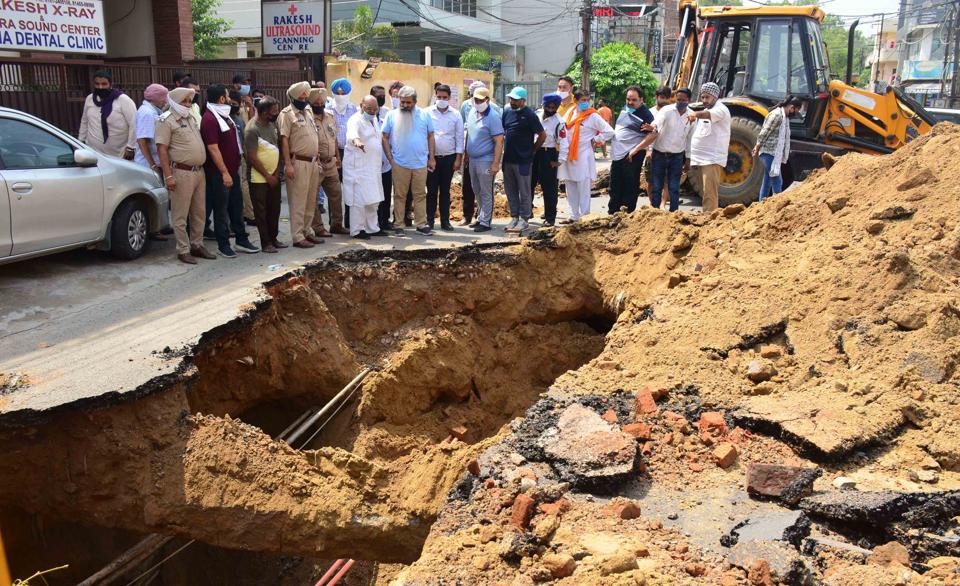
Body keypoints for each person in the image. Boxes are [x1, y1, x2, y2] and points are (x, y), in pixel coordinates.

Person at [156, 87, 214, 264]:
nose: (188, 104)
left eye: (190, 101)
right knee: (180, 214)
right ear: (174, 102)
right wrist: (168, 176)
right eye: (184, 101)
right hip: (181, 172)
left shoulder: (189, 118)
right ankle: (183, 249)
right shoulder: (166, 120)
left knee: (199, 212)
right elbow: (162, 150)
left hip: (198, 172)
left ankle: (197, 244)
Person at [201, 84, 259, 258]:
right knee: (221, 209)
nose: (229, 99)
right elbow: (213, 148)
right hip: (220, 173)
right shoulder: (210, 119)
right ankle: (223, 244)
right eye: (226, 96)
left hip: (233, 169)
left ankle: (241, 239)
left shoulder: (224, 116)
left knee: (236, 206)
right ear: (221, 99)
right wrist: (224, 172)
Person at [382, 86, 436, 236]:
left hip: (420, 163)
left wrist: (431, 158)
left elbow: (431, 136)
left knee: (420, 195)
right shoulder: (391, 115)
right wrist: (390, 158)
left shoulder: (424, 115)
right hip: (399, 163)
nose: (405, 105)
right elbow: (384, 137)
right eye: (402, 102)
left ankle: (421, 224)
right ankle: (398, 224)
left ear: (415, 101)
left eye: (408, 102)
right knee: (400, 195)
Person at [630, 88, 694, 212]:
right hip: (659, 154)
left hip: (677, 156)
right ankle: (655, 213)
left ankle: (674, 214)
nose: (680, 102)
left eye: (683, 100)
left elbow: (690, 139)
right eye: (678, 99)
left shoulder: (691, 116)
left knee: (674, 187)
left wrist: (688, 159)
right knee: (657, 186)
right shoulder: (667, 110)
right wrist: (652, 127)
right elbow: (657, 122)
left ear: (689, 100)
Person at [558, 90, 614, 223]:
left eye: (587, 100)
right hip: (569, 155)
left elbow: (610, 131)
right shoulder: (570, 112)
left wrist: (596, 139)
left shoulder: (592, 116)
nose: (586, 103)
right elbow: (563, 127)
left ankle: (584, 217)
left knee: (583, 186)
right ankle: (573, 215)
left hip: (583, 154)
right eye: (583, 100)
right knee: (570, 185)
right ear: (575, 101)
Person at [279, 81, 323, 249]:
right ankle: (297, 236)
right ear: (293, 97)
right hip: (298, 162)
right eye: (301, 96)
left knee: (311, 199)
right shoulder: (287, 114)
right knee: (298, 200)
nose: (304, 98)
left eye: (306, 95)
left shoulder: (308, 112)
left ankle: (307, 230)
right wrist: (288, 164)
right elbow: (284, 140)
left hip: (312, 162)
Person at [501, 87, 545, 233]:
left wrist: (532, 150)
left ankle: (525, 219)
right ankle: (514, 216)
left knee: (524, 190)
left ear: (523, 100)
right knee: (510, 190)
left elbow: (542, 135)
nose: (512, 101)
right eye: (511, 99)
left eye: (515, 99)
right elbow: (504, 131)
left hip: (523, 161)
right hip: (508, 159)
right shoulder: (507, 112)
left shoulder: (530, 115)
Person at [343, 96, 388, 239]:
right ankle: (357, 230)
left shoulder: (374, 120)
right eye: (369, 109)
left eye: (375, 109)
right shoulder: (355, 119)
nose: (372, 111)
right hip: (358, 167)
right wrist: (356, 141)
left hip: (372, 167)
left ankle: (372, 228)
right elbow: (352, 133)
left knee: (373, 198)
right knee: (359, 200)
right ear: (361, 105)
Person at [459, 80, 502, 226]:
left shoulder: (493, 117)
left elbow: (499, 141)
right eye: (475, 100)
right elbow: (469, 135)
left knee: (486, 191)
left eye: (480, 100)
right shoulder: (471, 112)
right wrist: (466, 154)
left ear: (487, 100)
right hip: (472, 159)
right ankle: (480, 217)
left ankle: (485, 222)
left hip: (486, 159)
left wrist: (496, 163)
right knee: (476, 189)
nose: (477, 102)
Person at [244, 96, 284, 253]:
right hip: (259, 177)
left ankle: (274, 238)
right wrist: (267, 176)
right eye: (274, 111)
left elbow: (276, 148)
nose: (276, 113)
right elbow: (252, 157)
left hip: (273, 176)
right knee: (262, 211)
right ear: (264, 112)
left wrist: (275, 173)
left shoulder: (272, 125)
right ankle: (266, 242)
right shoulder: (252, 129)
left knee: (274, 209)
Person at [607, 86, 654, 214]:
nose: (630, 102)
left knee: (629, 185)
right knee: (615, 184)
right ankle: (613, 212)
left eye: (634, 100)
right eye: (628, 99)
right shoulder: (626, 109)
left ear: (641, 100)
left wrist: (636, 149)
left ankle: (627, 213)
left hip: (631, 155)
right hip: (618, 155)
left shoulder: (646, 115)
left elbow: (654, 134)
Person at [134, 83, 171, 241]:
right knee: (151, 196)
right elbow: (142, 141)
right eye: (163, 98)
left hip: (156, 162)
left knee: (159, 196)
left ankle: (159, 227)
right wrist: (152, 164)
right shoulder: (147, 113)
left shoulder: (154, 111)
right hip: (148, 164)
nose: (165, 101)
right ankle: (153, 230)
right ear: (156, 98)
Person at [310, 87, 348, 236]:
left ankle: (336, 224)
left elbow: (334, 138)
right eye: (316, 102)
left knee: (336, 194)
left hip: (331, 162)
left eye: (322, 102)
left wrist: (337, 156)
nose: (320, 104)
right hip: (316, 163)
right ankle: (318, 227)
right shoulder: (308, 118)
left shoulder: (330, 117)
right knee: (313, 198)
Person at [687, 82, 730, 213]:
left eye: (707, 97)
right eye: (703, 97)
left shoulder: (720, 109)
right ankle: (706, 217)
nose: (704, 100)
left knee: (709, 193)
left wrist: (695, 114)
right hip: (701, 158)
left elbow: (706, 115)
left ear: (715, 97)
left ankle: (709, 220)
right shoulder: (706, 110)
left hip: (711, 159)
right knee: (704, 192)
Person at [426, 84, 463, 231]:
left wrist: (458, 159)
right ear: (435, 96)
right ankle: (429, 221)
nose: (441, 100)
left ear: (449, 98)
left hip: (449, 158)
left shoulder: (456, 114)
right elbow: (425, 135)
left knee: (445, 191)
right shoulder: (427, 113)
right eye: (439, 97)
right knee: (431, 191)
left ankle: (445, 221)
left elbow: (460, 137)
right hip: (431, 158)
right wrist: (428, 158)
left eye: (444, 97)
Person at [78, 71, 138, 159]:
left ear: (111, 84)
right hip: (93, 152)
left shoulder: (123, 100)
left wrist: (131, 147)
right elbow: (84, 121)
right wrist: (81, 141)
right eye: (97, 84)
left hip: (119, 154)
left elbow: (134, 124)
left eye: (104, 84)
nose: (100, 87)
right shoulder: (90, 99)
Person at [753, 95, 802, 201]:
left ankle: (761, 204)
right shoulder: (777, 116)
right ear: (791, 107)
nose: (794, 113)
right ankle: (779, 205)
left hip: (773, 153)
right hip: (768, 152)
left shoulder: (783, 117)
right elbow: (765, 131)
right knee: (777, 180)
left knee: (767, 181)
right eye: (795, 110)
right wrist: (757, 146)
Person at [532, 93, 569, 227]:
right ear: (544, 104)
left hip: (549, 153)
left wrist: (559, 161)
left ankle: (550, 217)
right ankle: (527, 212)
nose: (551, 109)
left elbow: (564, 142)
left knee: (549, 188)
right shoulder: (537, 115)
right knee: (529, 183)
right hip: (535, 151)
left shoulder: (559, 122)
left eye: (554, 107)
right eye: (549, 106)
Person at [645, 86, 673, 209]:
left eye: (666, 98)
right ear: (656, 97)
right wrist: (648, 150)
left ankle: (662, 205)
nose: (664, 100)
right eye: (661, 97)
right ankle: (653, 205)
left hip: (667, 151)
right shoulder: (650, 112)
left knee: (666, 181)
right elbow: (645, 133)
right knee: (651, 181)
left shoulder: (672, 112)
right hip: (652, 151)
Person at [370, 85, 394, 231]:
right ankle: (374, 223)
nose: (382, 98)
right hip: (371, 163)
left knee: (386, 193)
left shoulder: (388, 113)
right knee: (374, 194)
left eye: (383, 95)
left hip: (386, 161)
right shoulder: (366, 113)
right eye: (379, 95)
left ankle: (384, 221)